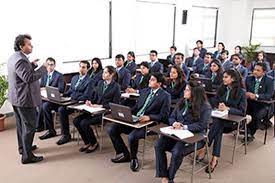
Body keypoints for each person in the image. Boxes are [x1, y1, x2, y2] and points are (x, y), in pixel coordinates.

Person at [107, 73, 171, 172]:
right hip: (136, 119)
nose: (149, 81)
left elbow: (164, 115)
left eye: (152, 80)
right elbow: (137, 108)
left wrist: (149, 117)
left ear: (159, 83)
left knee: (132, 136)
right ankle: (124, 154)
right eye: (150, 79)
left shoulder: (165, 96)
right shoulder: (145, 91)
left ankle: (133, 158)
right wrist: (126, 112)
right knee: (112, 129)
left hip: (150, 124)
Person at [155, 80, 211, 183]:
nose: (184, 91)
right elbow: (171, 116)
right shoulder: (182, 101)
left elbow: (201, 125)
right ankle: (164, 174)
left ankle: (170, 178)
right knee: (159, 144)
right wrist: (174, 123)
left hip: (195, 136)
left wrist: (184, 127)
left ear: (195, 93)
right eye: (185, 89)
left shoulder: (205, 107)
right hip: (177, 133)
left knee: (177, 152)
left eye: (187, 90)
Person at [7, 34, 47, 164]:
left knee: (20, 125)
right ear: (21, 46)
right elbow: (28, 78)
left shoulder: (15, 57)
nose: (31, 46)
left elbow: (22, 72)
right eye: (28, 44)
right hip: (24, 99)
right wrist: (43, 68)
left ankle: (23, 148)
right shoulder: (20, 60)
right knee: (29, 127)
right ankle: (27, 156)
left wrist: (31, 65)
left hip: (16, 98)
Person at [198, 69, 247, 173]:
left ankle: (204, 147)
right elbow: (214, 100)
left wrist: (228, 108)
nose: (223, 79)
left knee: (217, 125)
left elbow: (242, 111)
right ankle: (214, 159)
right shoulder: (222, 88)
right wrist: (218, 105)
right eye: (223, 76)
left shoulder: (241, 92)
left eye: (226, 77)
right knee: (218, 127)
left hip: (233, 122)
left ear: (233, 79)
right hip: (220, 119)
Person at [73, 66, 121, 153]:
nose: (103, 74)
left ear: (111, 74)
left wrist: (101, 106)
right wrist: (90, 102)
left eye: (106, 73)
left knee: (84, 123)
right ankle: (87, 142)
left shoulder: (116, 86)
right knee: (76, 120)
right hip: (94, 109)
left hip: (105, 112)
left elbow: (115, 104)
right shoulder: (100, 83)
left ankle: (94, 143)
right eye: (103, 72)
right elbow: (95, 97)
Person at [43, 61, 92, 145]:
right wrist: (62, 95)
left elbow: (86, 96)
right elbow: (70, 91)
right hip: (69, 100)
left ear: (88, 69)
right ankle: (51, 130)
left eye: (84, 67)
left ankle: (66, 135)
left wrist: (72, 98)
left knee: (62, 110)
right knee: (46, 106)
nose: (81, 69)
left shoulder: (90, 81)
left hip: (78, 102)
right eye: (80, 66)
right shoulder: (75, 78)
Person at [245, 62, 273, 142]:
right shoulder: (249, 78)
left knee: (256, 116)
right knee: (242, 112)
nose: (255, 72)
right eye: (254, 69)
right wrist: (246, 94)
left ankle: (250, 133)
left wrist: (256, 96)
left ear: (264, 72)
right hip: (250, 103)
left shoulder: (269, 80)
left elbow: (269, 95)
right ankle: (247, 130)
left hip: (263, 104)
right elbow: (244, 90)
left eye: (258, 70)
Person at [36, 57, 65, 134]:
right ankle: (40, 125)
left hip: (53, 99)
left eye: (51, 65)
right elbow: (41, 86)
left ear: (54, 65)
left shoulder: (59, 75)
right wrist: (42, 90)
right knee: (35, 103)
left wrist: (48, 90)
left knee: (44, 106)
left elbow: (61, 89)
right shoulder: (44, 75)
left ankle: (46, 128)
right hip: (44, 97)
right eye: (48, 64)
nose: (49, 66)